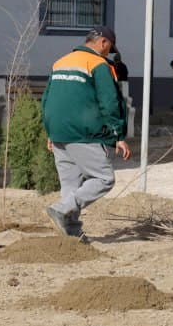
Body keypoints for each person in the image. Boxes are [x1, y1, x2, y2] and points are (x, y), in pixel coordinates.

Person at [41, 25, 131, 241]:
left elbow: (47, 100)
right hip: (84, 134)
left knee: (71, 186)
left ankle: (71, 236)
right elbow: (109, 102)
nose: (108, 53)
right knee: (104, 178)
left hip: (59, 133)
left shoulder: (60, 62)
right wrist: (118, 134)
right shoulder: (98, 64)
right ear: (103, 43)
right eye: (109, 48)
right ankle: (63, 209)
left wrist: (50, 132)